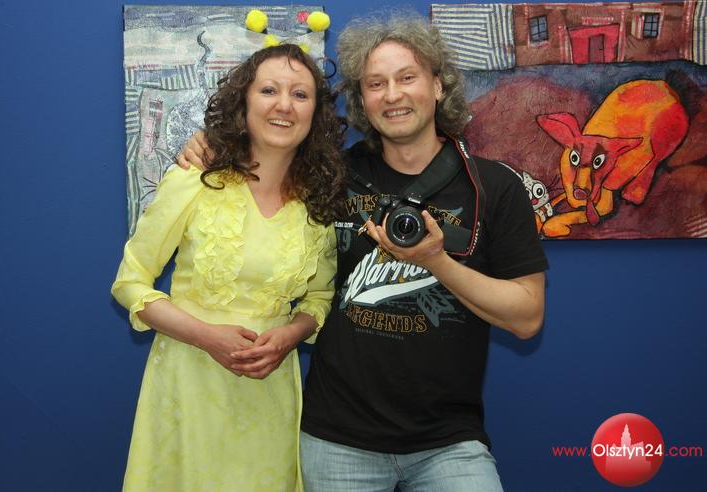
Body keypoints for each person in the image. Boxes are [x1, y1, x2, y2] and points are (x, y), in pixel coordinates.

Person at [179, 12, 548, 492]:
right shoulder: (328, 175)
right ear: (362, 101)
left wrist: (436, 261)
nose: (392, 95)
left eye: (407, 78)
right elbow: (263, 152)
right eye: (376, 84)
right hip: (337, 440)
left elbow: (527, 317)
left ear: (438, 86)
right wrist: (208, 145)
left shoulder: (494, 187)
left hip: (449, 442)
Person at [112, 44, 345, 491]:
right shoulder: (195, 180)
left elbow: (320, 297)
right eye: (269, 90)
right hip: (188, 385)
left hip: (269, 393)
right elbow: (130, 283)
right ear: (244, 102)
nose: (284, 105)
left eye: (300, 94)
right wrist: (206, 336)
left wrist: (290, 336)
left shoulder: (318, 205)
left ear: (316, 114)